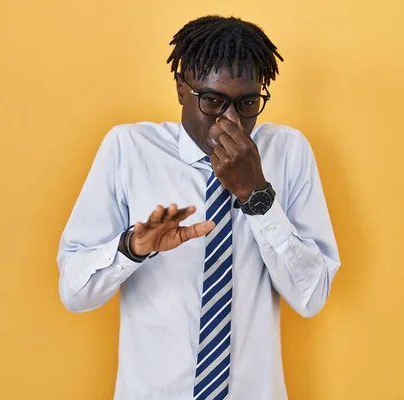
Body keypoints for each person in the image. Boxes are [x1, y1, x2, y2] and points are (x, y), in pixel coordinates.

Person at [57, 15, 340, 400]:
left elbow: (311, 297)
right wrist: (131, 249)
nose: (231, 121)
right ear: (180, 88)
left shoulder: (288, 152)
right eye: (212, 101)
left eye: (247, 103)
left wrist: (256, 194)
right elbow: (75, 294)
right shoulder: (128, 149)